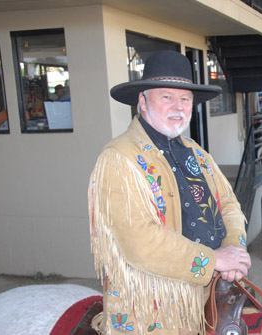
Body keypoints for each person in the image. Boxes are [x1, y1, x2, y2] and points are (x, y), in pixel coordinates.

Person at [88, 50, 251, 335]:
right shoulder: (119, 158)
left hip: (202, 298)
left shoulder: (195, 152)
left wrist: (233, 248)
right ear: (142, 101)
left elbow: (227, 202)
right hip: (151, 314)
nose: (178, 106)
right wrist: (215, 260)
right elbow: (141, 241)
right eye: (167, 97)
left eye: (185, 98)